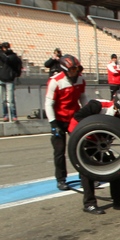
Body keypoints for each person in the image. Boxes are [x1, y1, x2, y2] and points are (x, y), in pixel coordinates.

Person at [65, 89, 120, 213]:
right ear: (119, 104)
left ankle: (119, 199)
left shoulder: (119, 117)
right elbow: (78, 117)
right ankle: (89, 203)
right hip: (83, 137)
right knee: (87, 168)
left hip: (100, 140)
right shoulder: (98, 106)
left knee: (113, 167)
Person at [46, 54, 88, 193]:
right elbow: (48, 104)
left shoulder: (81, 80)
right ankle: (61, 179)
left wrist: (86, 114)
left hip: (73, 118)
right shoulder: (55, 81)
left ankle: (85, 178)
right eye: (72, 70)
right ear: (64, 69)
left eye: (77, 70)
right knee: (59, 151)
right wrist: (53, 124)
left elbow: (83, 98)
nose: (75, 73)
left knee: (80, 148)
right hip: (58, 119)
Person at [0, 41, 22, 122]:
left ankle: (13, 115)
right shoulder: (1, 55)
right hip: (1, 80)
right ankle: (5, 115)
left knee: (10, 100)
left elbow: (7, 60)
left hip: (9, 80)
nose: (4, 49)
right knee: (3, 100)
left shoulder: (13, 56)